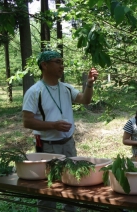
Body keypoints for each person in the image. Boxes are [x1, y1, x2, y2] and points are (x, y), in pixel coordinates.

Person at [22, 50, 98, 212]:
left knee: (71, 183)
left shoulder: (66, 88)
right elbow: (27, 121)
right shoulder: (35, 91)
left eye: (62, 62)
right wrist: (53, 125)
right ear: (44, 65)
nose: (62, 66)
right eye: (57, 62)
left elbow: (85, 100)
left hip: (68, 143)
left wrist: (90, 83)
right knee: (48, 188)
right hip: (48, 147)